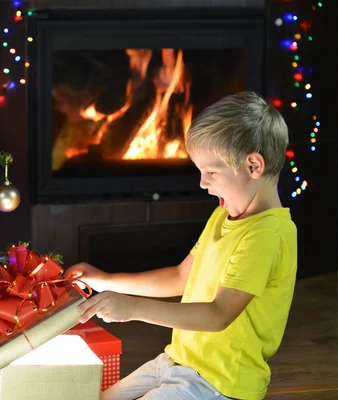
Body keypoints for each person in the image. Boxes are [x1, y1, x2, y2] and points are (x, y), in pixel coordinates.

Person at [65, 91, 297, 400]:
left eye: (211, 172)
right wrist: (105, 279)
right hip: (176, 361)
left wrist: (132, 308)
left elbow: (218, 315)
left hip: (217, 382)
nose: (203, 183)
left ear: (253, 165)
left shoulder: (266, 235)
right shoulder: (222, 217)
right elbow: (180, 276)